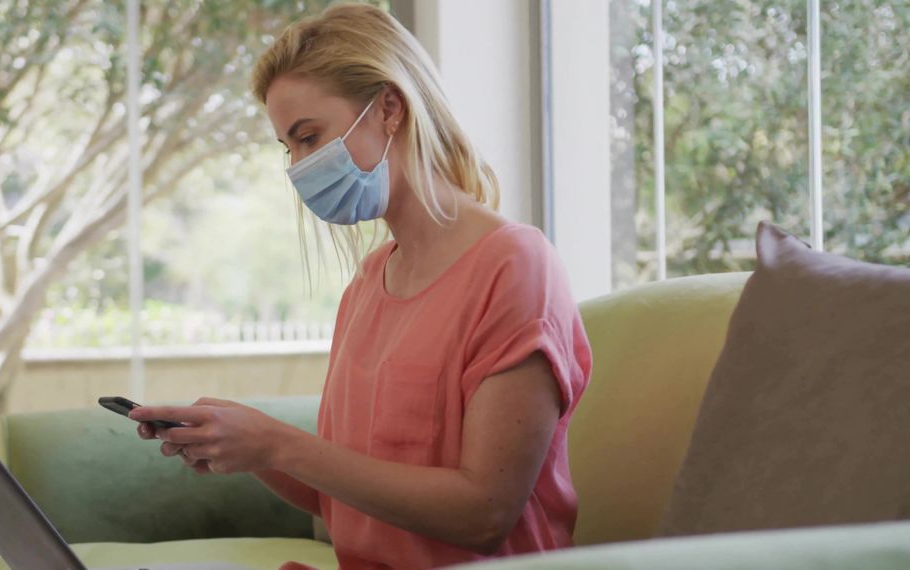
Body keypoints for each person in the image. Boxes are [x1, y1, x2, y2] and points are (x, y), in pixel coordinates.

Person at [130, 3, 592, 568]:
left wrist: (279, 443)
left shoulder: (516, 266)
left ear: (389, 109)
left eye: (309, 136)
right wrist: (248, 446)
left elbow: (484, 514)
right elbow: (343, 498)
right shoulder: (369, 285)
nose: (299, 167)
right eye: (289, 148)